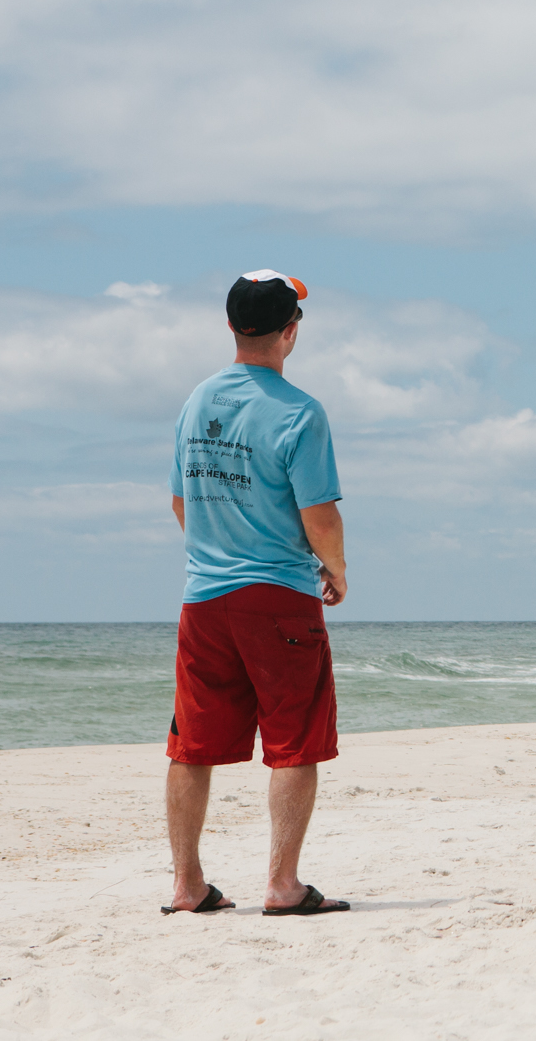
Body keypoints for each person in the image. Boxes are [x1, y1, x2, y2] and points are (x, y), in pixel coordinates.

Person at [163, 270, 352, 917]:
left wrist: (217, 550)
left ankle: (187, 885)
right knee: (295, 738)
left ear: (231, 325)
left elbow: (180, 500)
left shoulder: (196, 400)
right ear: (290, 331)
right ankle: (282, 883)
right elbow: (319, 514)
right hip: (277, 594)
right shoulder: (300, 411)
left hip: (203, 597)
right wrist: (337, 569)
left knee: (193, 742)